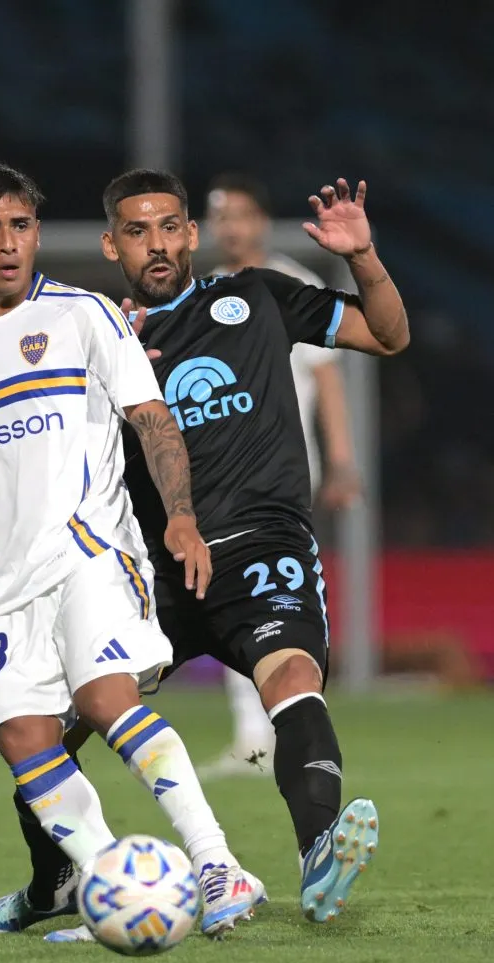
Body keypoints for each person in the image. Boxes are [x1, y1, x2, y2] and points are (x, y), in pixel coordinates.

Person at [0, 168, 408, 941]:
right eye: (136, 232)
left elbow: (385, 334)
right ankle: (54, 885)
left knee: (293, 681)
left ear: (191, 234)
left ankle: (318, 856)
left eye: (169, 226)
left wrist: (362, 256)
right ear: (112, 244)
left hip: (260, 543)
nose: (157, 244)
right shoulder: (98, 333)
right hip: (149, 573)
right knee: (43, 736)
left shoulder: (259, 298)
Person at [0, 161, 265, 938]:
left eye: (21, 226)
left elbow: (153, 420)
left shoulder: (84, 315)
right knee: (27, 740)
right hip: (12, 577)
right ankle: (106, 889)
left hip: (91, 546)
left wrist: (181, 517)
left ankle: (217, 864)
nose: (8, 244)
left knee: (104, 699)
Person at [197, 172, 362, 781]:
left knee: (277, 600)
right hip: (216, 474)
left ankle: (287, 729)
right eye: (220, 215)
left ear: (261, 220)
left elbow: (326, 377)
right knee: (225, 600)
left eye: (240, 213)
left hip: (284, 473)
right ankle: (253, 738)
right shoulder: (203, 290)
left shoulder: (294, 282)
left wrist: (341, 460)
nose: (231, 226)